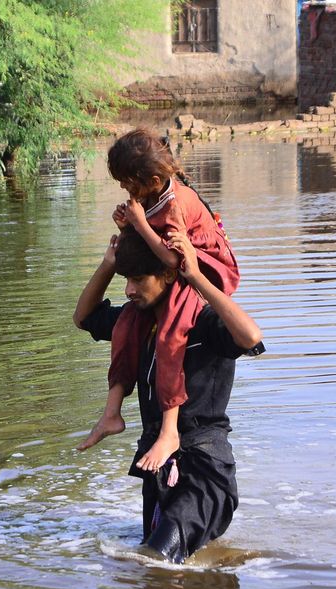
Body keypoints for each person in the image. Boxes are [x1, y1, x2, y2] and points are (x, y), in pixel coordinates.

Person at [74, 231, 263, 563]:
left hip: (204, 473)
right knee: (156, 564)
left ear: (167, 275)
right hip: (158, 468)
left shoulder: (204, 325)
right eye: (125, 279)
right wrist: (107, 264)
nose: (129, 289)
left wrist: (197, 278)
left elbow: (250, 337)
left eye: (137, 279)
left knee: (155, 559)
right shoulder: (135, 323)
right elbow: (84, 317)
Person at [76, 129, 240, 485]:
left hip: (200, 274)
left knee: (169, 337)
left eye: (129, 185)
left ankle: (170, 431)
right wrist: (128, 228)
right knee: (124, 328)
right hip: (175, 269)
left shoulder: (177, 202)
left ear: (151, 180)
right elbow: (84, 317)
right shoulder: (153, 195)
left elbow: (173, 259)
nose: (126, 192)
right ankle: (112, 413)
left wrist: (137, 224)